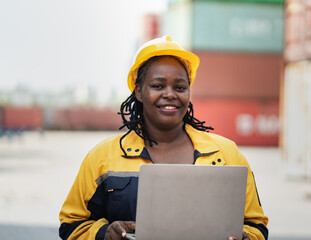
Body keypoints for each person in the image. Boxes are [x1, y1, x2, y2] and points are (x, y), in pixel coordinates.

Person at [59, 35, 268, 240]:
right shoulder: (102, 158)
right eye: (158, 86)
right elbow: (71, 226)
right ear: (139, 92)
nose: (170, 94)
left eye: (180, 87)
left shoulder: (227, 154)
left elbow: (257, 226)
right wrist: (104, 234)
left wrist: (246, 238)